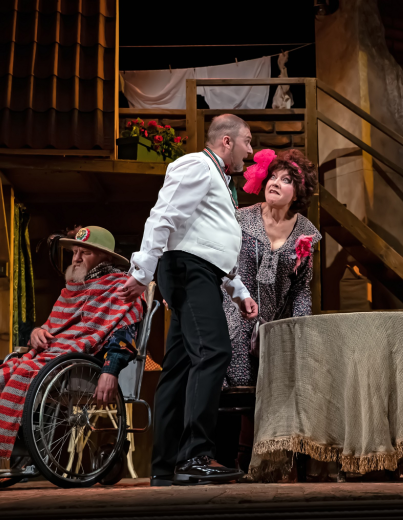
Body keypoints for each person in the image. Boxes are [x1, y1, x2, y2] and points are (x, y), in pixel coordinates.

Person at [0, 226, 143, 492]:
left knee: (23, 374)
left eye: (85, 253)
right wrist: (37, 332)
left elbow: (124, 335)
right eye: (75, 252)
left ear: (106, 258)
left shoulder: (121, 288)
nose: (76, 258)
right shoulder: (71, 290)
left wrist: (110, 371)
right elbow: (55, 327)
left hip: (76, 365)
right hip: (46, 357)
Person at [118, 114, 259, 487]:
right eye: (247, 141)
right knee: (214, 352)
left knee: (179, 367)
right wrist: (142, 271)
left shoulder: (220, 179)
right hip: (187, 269)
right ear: (226, 141)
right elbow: (163, 216)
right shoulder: (196, 165)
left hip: (199, 270)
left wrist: (239, 292)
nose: (250, 150)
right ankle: (195, 456)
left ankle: (165, 465)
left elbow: (210, 241)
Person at [222, 148, 321, 470]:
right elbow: (223, 269)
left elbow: (300, 288)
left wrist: (302, 327)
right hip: (235, 315)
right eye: (273, 177)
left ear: (299, 192)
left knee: (280, 384)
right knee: (237, 384)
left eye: (286, 180)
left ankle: (269, 458)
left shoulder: (305, 232)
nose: (275, 183)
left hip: (276, 324)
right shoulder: (241, 219)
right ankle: (229, 458)